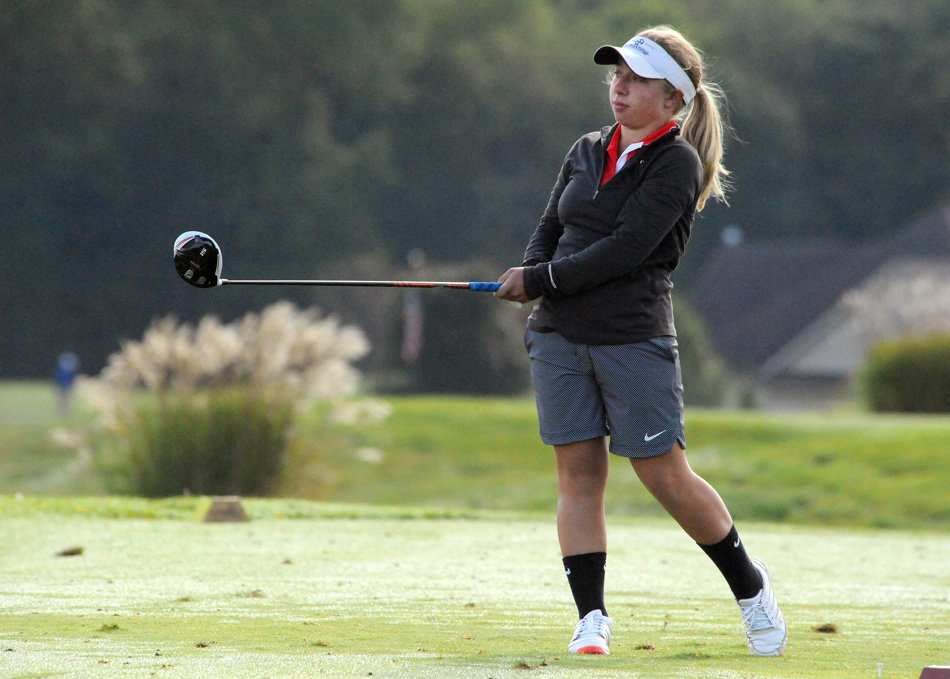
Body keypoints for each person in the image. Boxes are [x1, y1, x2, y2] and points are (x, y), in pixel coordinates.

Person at [494, 26, 787, 657]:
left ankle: (750, 588)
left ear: (673, 99)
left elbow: (626, 251)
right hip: (558, 336)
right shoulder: (585, 148)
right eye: (616, 76)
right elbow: (550, 228)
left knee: (664, 475)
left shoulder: (676, 162)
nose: (619, 88)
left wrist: (538, 279)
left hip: (631, 339)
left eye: (635, 79)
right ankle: (591, 619)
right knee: (578, 476)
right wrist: (534, 275)